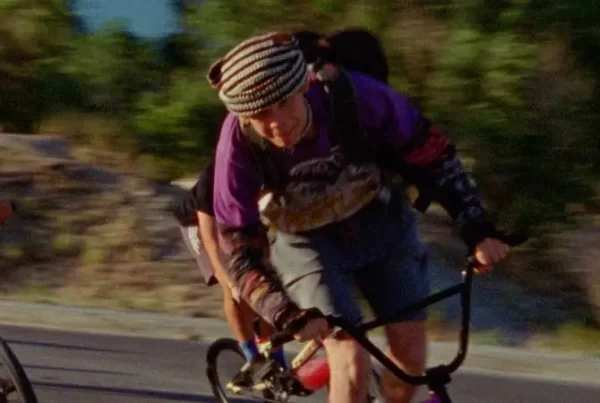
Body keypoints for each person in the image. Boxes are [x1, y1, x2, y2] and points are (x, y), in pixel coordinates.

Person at [172, 162, 287, 385]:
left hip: (239, 218)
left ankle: (275, 355)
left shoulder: (268, 163)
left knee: (267, 282)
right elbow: (211, 243)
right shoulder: (214, 178)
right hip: (198, 223)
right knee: (232, 281)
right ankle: (252, 357)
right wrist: (231, 283)